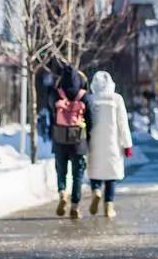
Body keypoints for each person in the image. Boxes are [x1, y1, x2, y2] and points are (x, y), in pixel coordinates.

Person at [86, 70, 133, 218]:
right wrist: (127, 144)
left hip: (93, 142)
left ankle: (96, 191)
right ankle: (108, 207)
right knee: (110, 175)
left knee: (95, 171)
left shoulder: (90, 99)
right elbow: (123, 123)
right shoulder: (117, 99)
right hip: (113, 142)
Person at [50, 64, 92, 219]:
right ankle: (75, 205)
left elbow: (51, 114)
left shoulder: (56, 94)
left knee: (61, 171)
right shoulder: (83, 96)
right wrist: (88, 139)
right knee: (77, 175)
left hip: (60, 139)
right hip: (78, 140)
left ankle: (62, 192)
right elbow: (90, 119)